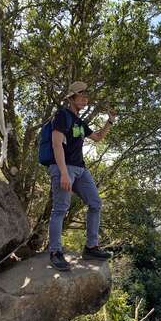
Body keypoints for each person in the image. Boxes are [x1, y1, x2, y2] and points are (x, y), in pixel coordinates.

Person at [48, 81, 115, 271]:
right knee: (60, 209)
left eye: (87, 95)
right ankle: (55, 252)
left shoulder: (79, 121)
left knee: (95, 203)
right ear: (71, 97)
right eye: (81, 94)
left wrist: (109, 121)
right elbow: (56, 144)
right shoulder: (62, 115)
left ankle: (91, 247)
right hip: (64, 167)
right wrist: (62, 173)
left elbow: (98, 138)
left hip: (80, 169)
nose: (85, 98)